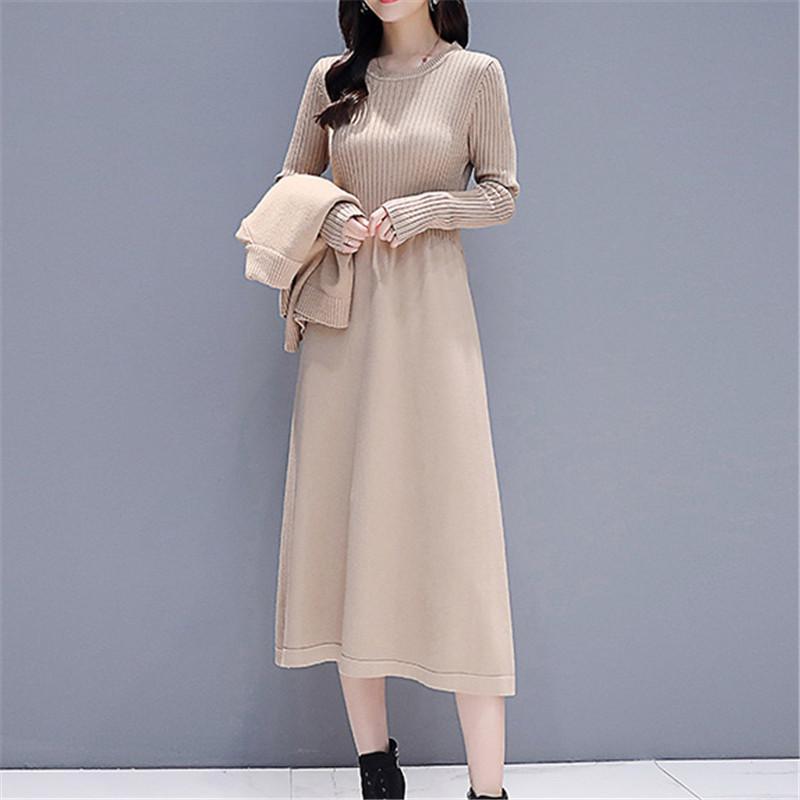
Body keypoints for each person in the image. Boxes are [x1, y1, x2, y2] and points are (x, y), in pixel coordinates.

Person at [269, 1, 520, 797]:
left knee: (457, 535)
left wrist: (429, 209)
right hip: (344, 326)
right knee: (349, 532)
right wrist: (332, 215)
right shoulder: (333, 78)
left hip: (432, 318)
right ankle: (377, 773)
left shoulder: (474, 76)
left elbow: (502, 193)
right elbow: (290, 181)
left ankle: (488, 789)